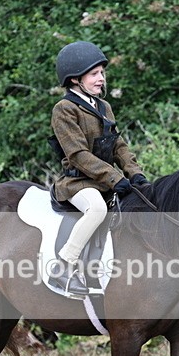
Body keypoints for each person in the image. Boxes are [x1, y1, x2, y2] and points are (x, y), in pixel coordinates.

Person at [49, 41, 148, 296]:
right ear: (75, 79)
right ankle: (63, 266)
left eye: (102, 73)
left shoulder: (103, 107)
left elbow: (118, 145)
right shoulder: (64, 109)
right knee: (97, 209)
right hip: (78, 182)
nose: (101, 78)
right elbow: (78, 155)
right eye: (94, 74)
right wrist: (115, 178)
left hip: (104, 181)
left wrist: (135, 173)